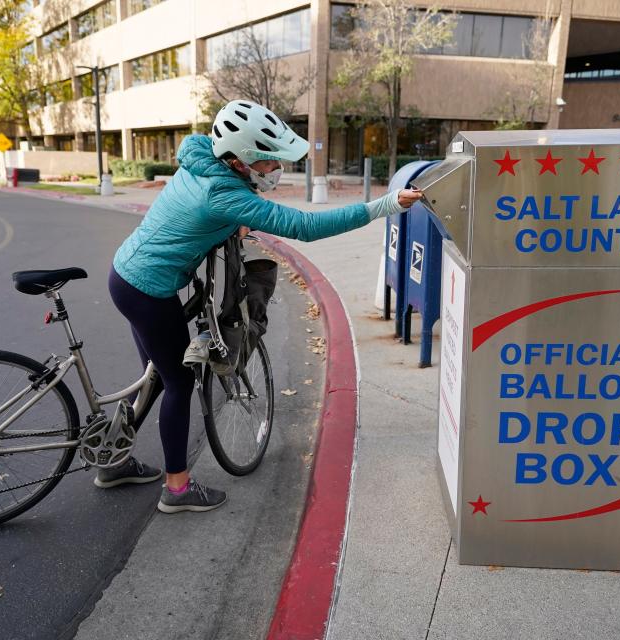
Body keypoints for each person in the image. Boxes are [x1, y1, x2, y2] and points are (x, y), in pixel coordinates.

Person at [99, 100, 422, 513]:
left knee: (154, 377)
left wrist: (235, 221)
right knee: (178, 383)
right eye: (270, 163)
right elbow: (305, 226)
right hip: (146, 290)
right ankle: (176, 489)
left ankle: (113, 460)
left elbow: (203, 212)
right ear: (241, 160)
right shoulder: (224, 193)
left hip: (126, 273)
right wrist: (387, 204)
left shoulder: (201, 158)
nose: (276, 171)